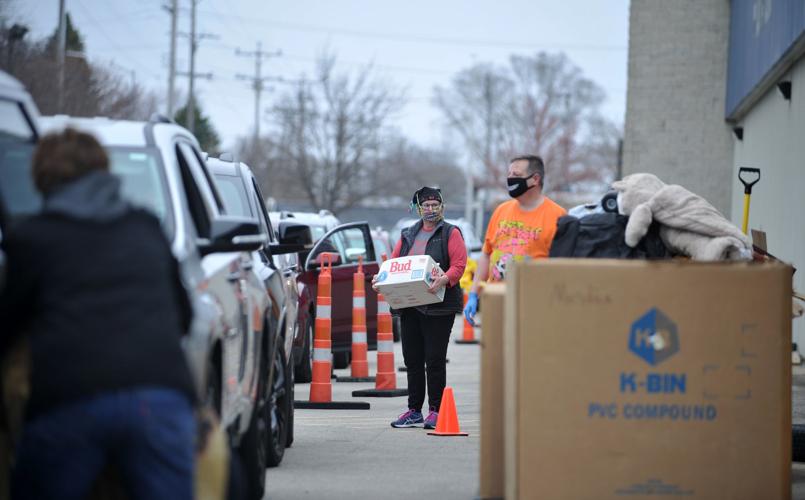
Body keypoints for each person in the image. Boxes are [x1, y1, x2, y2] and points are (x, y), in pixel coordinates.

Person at [0, 128, 197, 500]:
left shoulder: (32, 238)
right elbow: (183, 317)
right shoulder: (146, 227)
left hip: (69, 403)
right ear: (104, 171)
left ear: (41, 179)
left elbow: (7, 328)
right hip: (159, 398)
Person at [373, 187, 467, 429]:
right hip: (411, 306)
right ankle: (414, 410)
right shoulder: (407, 234)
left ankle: (436, 410)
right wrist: (380, 280)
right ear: (418, 208)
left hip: (438, 307)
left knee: (434, 360)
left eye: (435, 204)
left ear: (442, 207)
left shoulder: (450, 233)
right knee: (412, 359)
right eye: (426, 205)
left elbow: (458, 264)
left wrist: (444, 279)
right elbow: (393, 264)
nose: (431, 209)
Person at [464, 155, 566, 325]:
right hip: (497, 301)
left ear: (535, 179)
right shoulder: (501, 211)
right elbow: (486, 254)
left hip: (534, 307)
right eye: (509, 173)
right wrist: (474, 293)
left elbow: (561, 268)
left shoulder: (558, 216)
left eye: (516, 175)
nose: (510, 178)